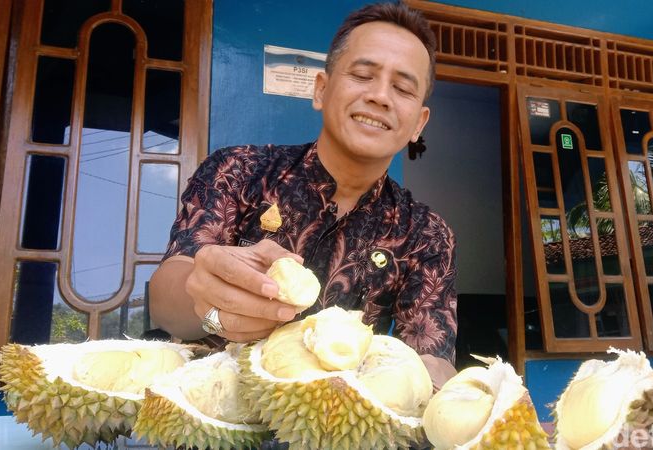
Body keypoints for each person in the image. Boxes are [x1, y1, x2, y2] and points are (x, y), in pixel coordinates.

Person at [149, 1, 458, 388]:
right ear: (321, 90)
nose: (380, 96)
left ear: (418, 123)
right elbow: (165, 303)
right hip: (214, 410)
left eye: (402, 88)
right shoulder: (237, 171)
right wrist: (211, 311)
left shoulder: (426, 234)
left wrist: (454, 390)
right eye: (363, 75)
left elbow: (429, 355)